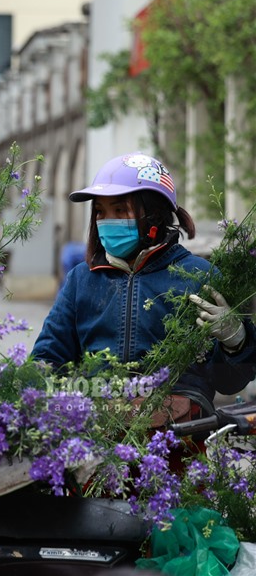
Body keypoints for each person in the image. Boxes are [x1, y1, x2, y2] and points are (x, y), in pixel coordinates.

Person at [32, 153, 256, 417]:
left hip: (180, 432)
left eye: (120, 210)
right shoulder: (82, 279)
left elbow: (229, 383)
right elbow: (48, 357)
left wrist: (237, 341)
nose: (106, 221)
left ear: (154, 216)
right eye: (101, 212)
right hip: (100, 428)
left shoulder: (200, 276)